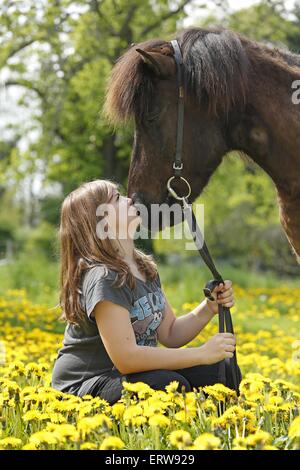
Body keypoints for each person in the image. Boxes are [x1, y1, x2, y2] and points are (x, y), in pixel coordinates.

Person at [51, 179, 238, 405]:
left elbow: (170, 333)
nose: (130, 199)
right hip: (84, 385)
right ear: (101, 222)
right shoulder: (104, 277)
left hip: (125, 375)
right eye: (117, 198)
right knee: (167, 385)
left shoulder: (144, 268)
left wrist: (209, 308)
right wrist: (200, 353)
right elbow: (127, 359)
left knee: (222, 371)